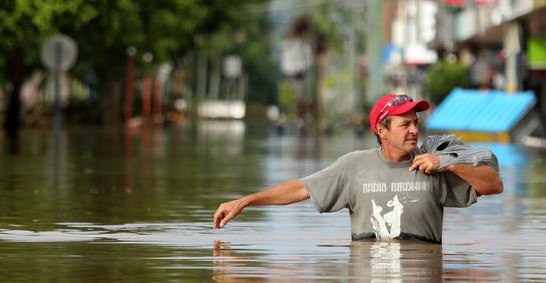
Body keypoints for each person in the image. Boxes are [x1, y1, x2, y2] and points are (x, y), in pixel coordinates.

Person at [212, 94, 503, 244]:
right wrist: (247, 200)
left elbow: (493, 185)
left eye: (416, 123)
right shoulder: (355, 167)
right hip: (368, 259)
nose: (414, 130)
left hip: (422, 266)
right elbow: (300, 188)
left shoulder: (435, 164)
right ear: (382, 131)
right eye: (405, 124)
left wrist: (447, 163)